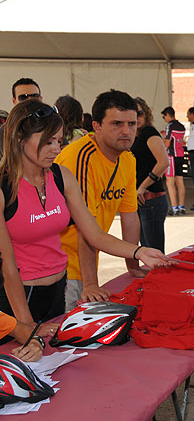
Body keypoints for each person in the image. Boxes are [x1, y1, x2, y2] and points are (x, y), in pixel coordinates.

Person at [0, 100, 170, 338]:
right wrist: (26, 327)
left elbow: (94, 234)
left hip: (58, 289)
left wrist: (138, 252)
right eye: (48, 141)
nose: (56, 149)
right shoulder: (5, 188)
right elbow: (7, 267)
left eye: (59, 141)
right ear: (20, 139)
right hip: (18, 299)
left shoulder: (61, 177)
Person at [56, 90, 158, 312]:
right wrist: (90, 282)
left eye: (132, 124)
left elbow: (130, 217)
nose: (126, 131)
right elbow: (86, 228)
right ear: (97, 126)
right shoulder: (80, 157)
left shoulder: (128, 159)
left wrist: (133, 266)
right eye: (117, 123)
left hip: (85, 262)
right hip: (64, 267)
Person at [132, 97, 170, 252]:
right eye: (132, 114)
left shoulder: (149, 132)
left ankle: (159, 277)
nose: (136, 118)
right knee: (147, 252)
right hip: (140, 201)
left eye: (139, 113)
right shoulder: (134, 137)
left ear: (146, 113)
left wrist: (142, 187)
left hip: (151, 199)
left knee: (155, 253)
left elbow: (163, 162)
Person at [0, 78, 43, 155]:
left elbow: (63, 149)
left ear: (40, 98)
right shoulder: (6, 130)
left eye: (34, 96)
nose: (29, 100)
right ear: (14, 101)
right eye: (23, 97)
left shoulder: (51, 124)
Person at [161, 106, 186, 216]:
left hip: (171, 156)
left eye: (164, 117)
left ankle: (174, 207)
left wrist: (163, 138)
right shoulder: (181, 126)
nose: (164, 119)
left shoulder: (170, 126)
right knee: (180, 182)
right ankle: (182, 206)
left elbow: (167, 144)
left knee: (169, 182)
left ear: (167, 115)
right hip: (181, 155)